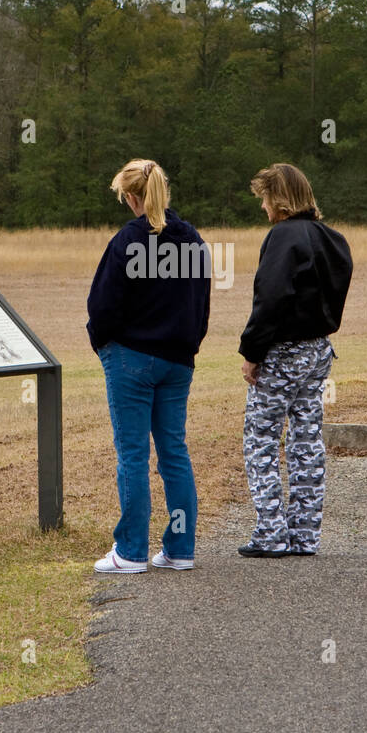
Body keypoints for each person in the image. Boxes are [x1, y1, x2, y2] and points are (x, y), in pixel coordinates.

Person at [87, 159, 211, 573]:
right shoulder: (192, 239)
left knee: (133, 454)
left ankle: (131, 550)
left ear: (132, 197)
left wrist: (101, 343)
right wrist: (188, 346)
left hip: (131, 358)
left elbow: (102, 306)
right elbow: (201, 304)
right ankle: (180, 548)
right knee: (174, 451)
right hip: (179, 361)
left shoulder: (127, 240)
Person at [238, 163, 353, 557]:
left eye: (266, 199)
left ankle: (271, 533)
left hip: (283, 352)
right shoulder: (333, 239)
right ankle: (304, 535)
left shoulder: (282, 237)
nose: (263, 207)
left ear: (281, 200)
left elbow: (270, 298)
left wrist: (252, 352)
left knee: (261, 439)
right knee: (306, 442)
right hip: (319, 350)